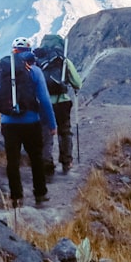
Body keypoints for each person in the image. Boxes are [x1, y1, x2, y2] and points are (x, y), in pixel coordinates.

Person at [0, 37, 57, 208]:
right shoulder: (34, 71)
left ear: (13, 51)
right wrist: (52, 124)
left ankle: (16, 197)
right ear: (29, 51)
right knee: (36, 158)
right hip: (31, 122)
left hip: (9, 123)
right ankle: (40, 195)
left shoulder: (4, 71)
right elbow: (44, 99)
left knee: (13, 160)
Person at [34, 34, 82, 176]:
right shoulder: (63, 60)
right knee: (65, 132)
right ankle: (66, 162)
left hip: (42, 103)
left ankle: (47, 166)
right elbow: (77, 83)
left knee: (46, 134)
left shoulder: (37, 60)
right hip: (62, 101)